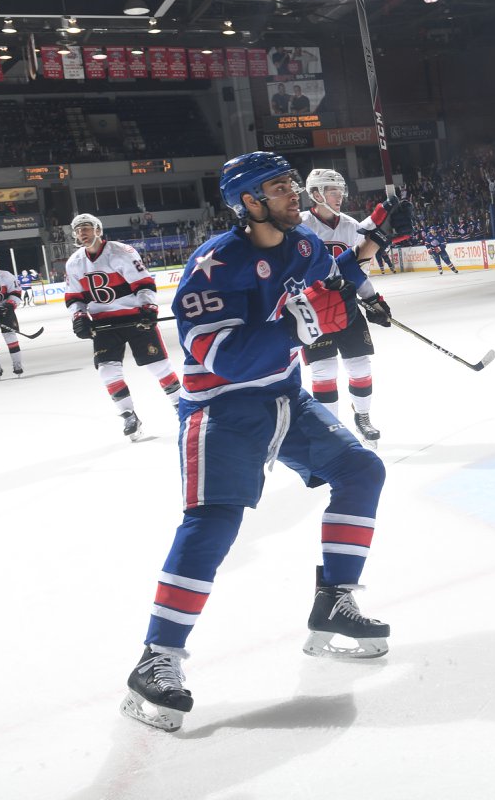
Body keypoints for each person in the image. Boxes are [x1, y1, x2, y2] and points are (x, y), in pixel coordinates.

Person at [120, 151, 394, 733]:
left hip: (285, 399)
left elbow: (333, 267)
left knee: (361, 472)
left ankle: (333, 604)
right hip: (221, 408)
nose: (295, 194)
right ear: (248, 202)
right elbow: (216, 355)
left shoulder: (299, 244)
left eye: (292, 183)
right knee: (213, 521)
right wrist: (300, 324)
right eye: (279, 187)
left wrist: (367, 267)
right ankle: (157, 657)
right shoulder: (215, 264)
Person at [64, 213, 182, 441]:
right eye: (78, 230)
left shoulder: (121, 252)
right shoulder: (74, 262)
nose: (82, 233)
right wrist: (79, 316)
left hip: (134, 316)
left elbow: (144, 283)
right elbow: (73, 297)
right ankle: (128, 415)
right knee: (107, 370)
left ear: (98, 230)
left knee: (158, 365)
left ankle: (182, 406)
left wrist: (148, 308)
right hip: (103, 323)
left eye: (86, 227)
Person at [298, 168, 388, 447]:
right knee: (324, 370)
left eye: (340, 191)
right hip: (311, 311)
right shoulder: (299, 226)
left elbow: (358, 269)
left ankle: (362, 417)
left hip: (346, 306)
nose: (340, 196)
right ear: (316, 194)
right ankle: (332, 428)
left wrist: (372, 299)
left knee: (360, 365)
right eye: (332, 191)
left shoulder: (351, 226)